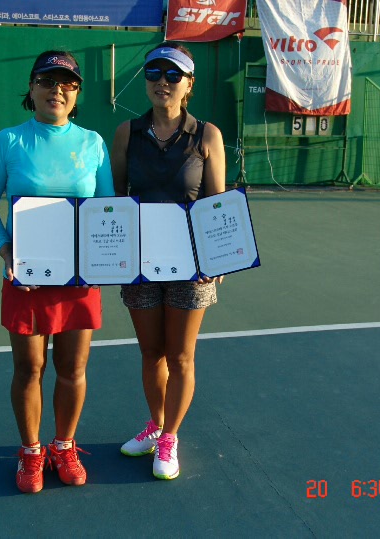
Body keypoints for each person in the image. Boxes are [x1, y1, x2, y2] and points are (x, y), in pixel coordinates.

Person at [0, 50, 114, 494]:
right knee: (29, 367)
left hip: (78, 278)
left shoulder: (93, 143)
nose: (58, 90)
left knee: (73, 367)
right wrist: (6, 250)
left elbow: (107, 208)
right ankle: (32, 451)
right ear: (32, 88)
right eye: (48, 81)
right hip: (27, 279)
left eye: (68, 83)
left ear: (77, 93)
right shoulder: (9, 141)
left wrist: (106, 257)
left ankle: (64, 446)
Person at [110, 42, 226, 480]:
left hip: (191, 266)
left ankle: (169, 438)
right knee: (151, 352)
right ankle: (155, 425)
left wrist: (218, 257)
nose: (163, 82)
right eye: (154, 73)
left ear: (188, 84)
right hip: (140, 265)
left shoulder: (207, 136)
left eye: (173, 75)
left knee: (180, 356)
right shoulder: (126, 133)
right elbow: (115, 201)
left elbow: (216, 204)